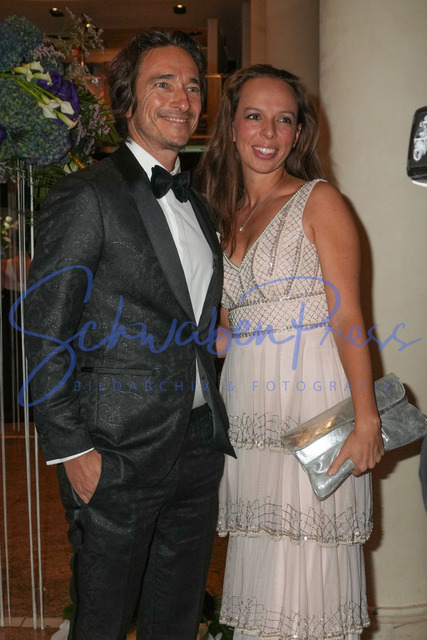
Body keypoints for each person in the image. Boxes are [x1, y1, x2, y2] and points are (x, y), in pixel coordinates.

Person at [22, 30, 234, 640]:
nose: (183, 99)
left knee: (177, 617)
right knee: (103, 620)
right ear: (126, 100)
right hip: (115, 451)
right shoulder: (88, 194)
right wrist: (72, 450)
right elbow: (45, 329)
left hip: (197, 445)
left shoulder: (200, 206)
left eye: (192, 87)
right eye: (162, 84)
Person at [196, 64, 385, 640]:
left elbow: (349, 318)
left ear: (299, 133)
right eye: (254, 116)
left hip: (313, 408)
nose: (268, 132)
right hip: (250, 412)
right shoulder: (221, 214)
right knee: (265, 560)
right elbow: (227, 331)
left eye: (284, 120)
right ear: (231, 126)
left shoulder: (319, 201)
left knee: (307, 564)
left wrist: (367, 419)